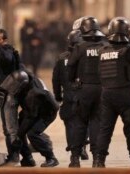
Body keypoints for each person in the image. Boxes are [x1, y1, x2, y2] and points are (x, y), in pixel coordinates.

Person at [93, 17, 130, 168]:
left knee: (105, 129)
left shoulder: (103, 50)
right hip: (124, 95)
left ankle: (99, 161)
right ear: (127, 31)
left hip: (106, 95)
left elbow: (99, 73)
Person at [67, 16, 107, 167]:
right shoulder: (105, 45)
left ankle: (75, 158)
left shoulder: (80, 47)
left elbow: (71, 66)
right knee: (97, 123)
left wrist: (72, 82)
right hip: (102, 90)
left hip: (84, 89)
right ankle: (97, 159)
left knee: (79, 123)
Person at [0, 29, 28, 164]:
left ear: (1, 40)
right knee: (9, 128)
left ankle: (14, 156)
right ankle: (26, 157)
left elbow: (6, 58)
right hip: (4, 93)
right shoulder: (2, 49)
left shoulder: (8, 50)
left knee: (11, 129)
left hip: (9, 94)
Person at [52, 30, 89, 161]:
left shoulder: (62, 58)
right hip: (84, 95)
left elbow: (55, 79)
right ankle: (83, 146)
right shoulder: (88, 56)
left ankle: (74, 154)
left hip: (68, 96)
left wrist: (57, 96)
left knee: (70, 124)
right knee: (85, 122)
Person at [17, 72, 60, 167]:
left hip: (47, 113)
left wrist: (19, 133)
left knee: (32, 133)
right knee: (19, 130)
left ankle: (51, 158)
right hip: (36, 108)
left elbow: (30, 117)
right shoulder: (29, 79)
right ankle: (28, 158)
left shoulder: (33, 94)